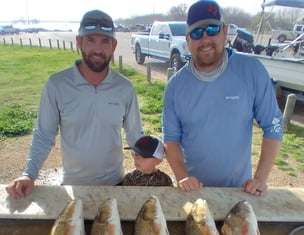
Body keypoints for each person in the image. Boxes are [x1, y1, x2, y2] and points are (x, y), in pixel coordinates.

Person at [6, 9, 143, 199]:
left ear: (114, 45)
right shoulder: (57, 84)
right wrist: (29, 174)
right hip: (73, 188)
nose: (98, 49)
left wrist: (150, 157)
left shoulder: (125, 88)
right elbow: (44, 135)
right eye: (90, 40)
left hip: (115, 185)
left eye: (105, 41)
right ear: (79, 42)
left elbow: (135, 134)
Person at [162, 0, 283, 196]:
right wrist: (182, 176)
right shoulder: (175, 86)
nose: (205, 39)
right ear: (187, 40)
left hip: (240, 192)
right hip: (196, 193)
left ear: (225, 31)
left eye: (212, 29)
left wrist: (260, 179)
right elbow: (171, 138)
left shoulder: (252, 71)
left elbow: (273, 125)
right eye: (196, 33)